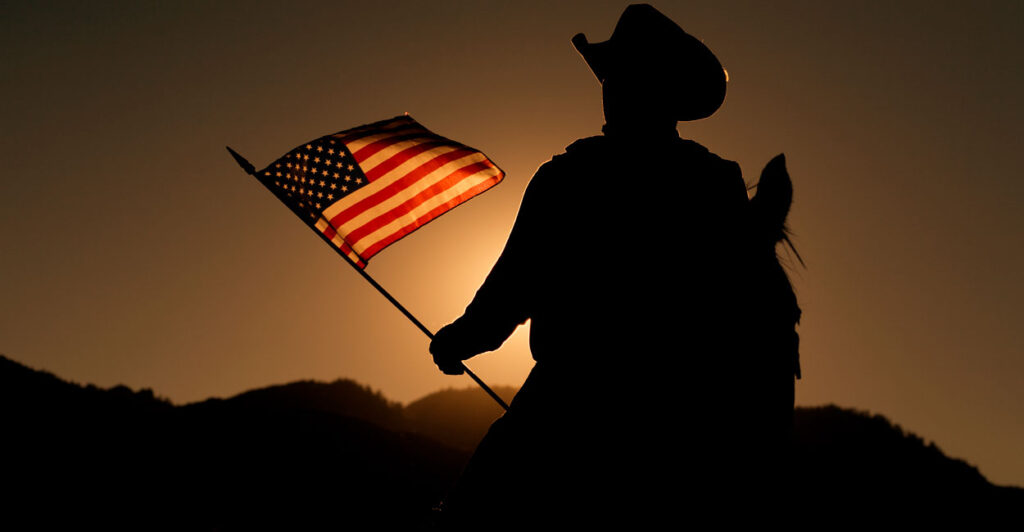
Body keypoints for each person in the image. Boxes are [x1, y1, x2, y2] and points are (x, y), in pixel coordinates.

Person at [430, 4, 798, 527]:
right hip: (683, 418)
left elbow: (511, 290)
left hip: (570, 406)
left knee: (472, 521)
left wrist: (458, 340)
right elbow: (746, 309)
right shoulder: (714, 181)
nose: (610, 88)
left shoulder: (567, 178)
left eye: (618, 76)